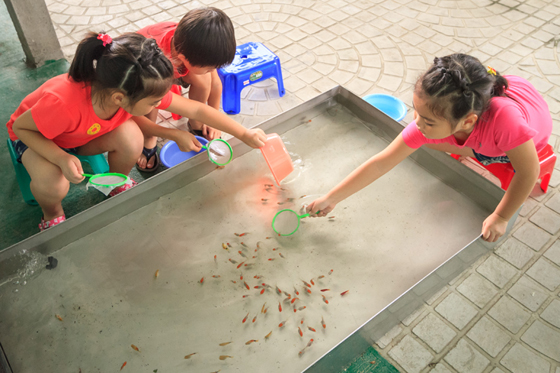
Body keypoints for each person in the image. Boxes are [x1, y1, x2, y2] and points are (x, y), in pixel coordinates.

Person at [7, 32, 265, 231]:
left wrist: (244, 134)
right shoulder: (63, 103)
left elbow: (197, 110)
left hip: (81, 135)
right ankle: (51, 214)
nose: (160, 105)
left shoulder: (132, 89)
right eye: (154, 103)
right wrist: (60, 158)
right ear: (120, 99)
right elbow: (22, 128)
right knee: (54, 184)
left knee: (131, 138)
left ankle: (114, 183)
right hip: (39, 138)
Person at [307, 53, 552, 243]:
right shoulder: (437, 120)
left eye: (428, 121)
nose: (417, 124)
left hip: (533, 129)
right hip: (482, 125)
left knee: (490, 154)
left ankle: (480, 151)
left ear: (467, 121)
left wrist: (501, 216)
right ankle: (469, 146)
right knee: (420, 141)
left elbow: (528, 172)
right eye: (417, 112)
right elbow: (381, 162)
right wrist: (331, 198)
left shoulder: (506, 121)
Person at [136, 7, 236, 172]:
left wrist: (214, 120)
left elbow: (216, 83)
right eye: (209, 68)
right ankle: (149, 137)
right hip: (144, 70)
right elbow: (145, 102)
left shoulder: (197, 46)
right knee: (156, 95)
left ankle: (196, 122)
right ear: (183, 60)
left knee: (205, 80)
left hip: (175, 56)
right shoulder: (154, 61)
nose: (212, 72)